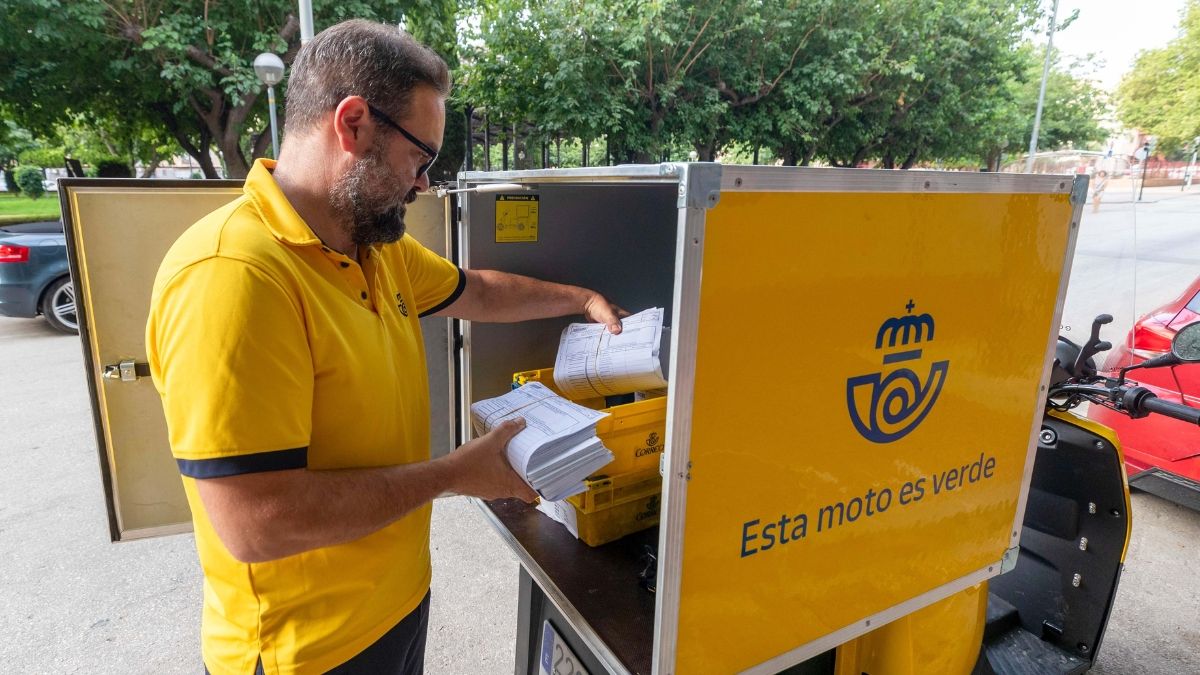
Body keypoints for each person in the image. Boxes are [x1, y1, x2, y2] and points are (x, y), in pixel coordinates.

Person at [145, 20, 624, 675]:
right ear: (353, 125)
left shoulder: (373, 247)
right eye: (420, 158)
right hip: (304, 654)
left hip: (394, 607)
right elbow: (259, 524)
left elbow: (478, 292)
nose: (424, 183)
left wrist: (579, 298)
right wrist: (456, 472)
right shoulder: (234, 276)